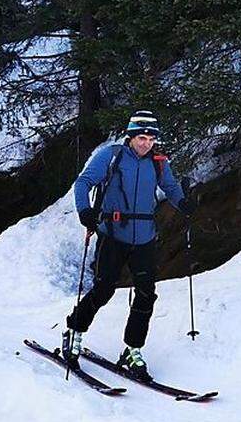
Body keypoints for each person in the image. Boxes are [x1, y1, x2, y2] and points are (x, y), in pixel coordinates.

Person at [60, 110, 191, 381]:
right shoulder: (112, 155)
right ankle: (74, 330)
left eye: (151, 139)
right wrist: (85, 212)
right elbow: (83, 183)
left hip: (144, 238)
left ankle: (133, 348)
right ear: (131, 136)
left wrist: (185, 203)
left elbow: (171, 187)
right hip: (113, 235)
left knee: (146, 294)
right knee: (104, 289)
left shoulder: (158, 162)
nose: (146, 143)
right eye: (141, 137)